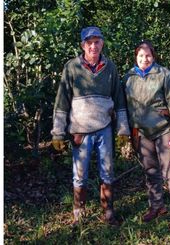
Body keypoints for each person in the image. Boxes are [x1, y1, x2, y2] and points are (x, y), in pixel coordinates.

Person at [50, 26, 130, 226]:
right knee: (80, 174)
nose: (93, 46)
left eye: (97, 42)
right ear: (82, 45)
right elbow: (62, 101)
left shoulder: (110, 67)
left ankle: (108, 212)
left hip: (104, 128)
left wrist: (123, 130)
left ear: (102, 44)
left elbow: (119, 100)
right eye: (89, 43)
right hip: (80, 131)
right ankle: (79, 214)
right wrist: (58, 133)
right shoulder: (71, 67)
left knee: (107, 172)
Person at [122, 40, 170, 232]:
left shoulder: (165, 74)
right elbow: (124, 106)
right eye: (141, 56)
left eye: (148, 55)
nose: (144, 59)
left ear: (154, 56)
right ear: (136, 57)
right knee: (151, 172)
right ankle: (156, 206)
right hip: (142, 134)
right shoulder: (129, 77)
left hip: (164, 131)